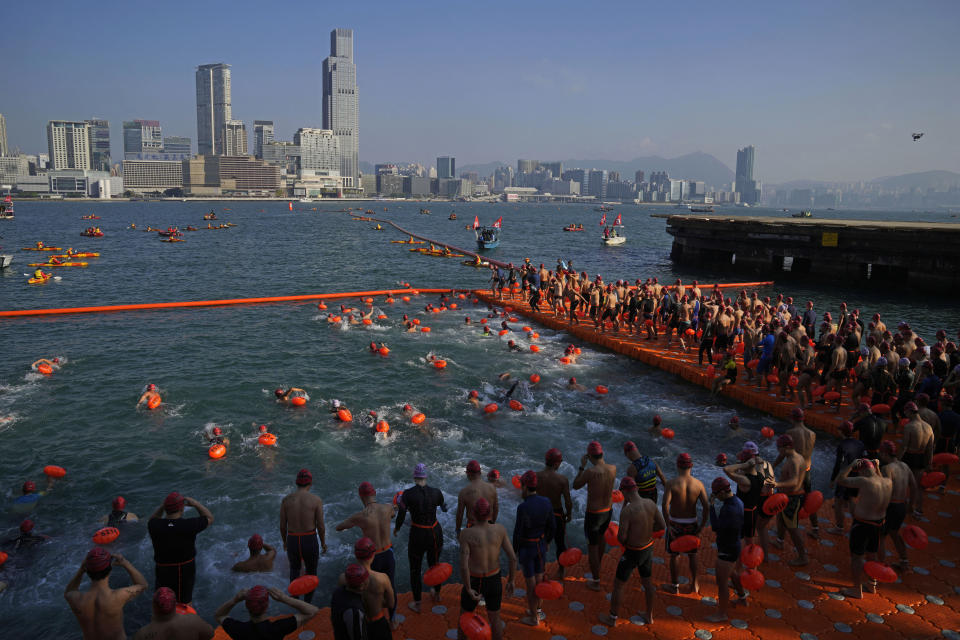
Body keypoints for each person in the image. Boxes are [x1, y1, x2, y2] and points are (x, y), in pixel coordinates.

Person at [597, 476, 665, 627]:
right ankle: (649, 616)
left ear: (625, 493)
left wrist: (628, 542)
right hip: (648, 548)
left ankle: (612, 618)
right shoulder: (651, 504)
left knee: (619, 585)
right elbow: (661, 525)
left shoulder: (628, 511)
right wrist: (645, 533)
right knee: (648, 583)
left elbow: (621, 537)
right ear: (637, 489)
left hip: (633, 552)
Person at [336, 482, 398, 625]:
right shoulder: (387, 508)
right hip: (388, 553)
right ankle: (393, 620)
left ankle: (372, 617)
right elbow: (394, 513)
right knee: (391, 586)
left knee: (370, 589)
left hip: (372, 557)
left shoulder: (360, 516)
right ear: (374, 493)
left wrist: (353, 522)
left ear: (361, 497)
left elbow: (339, 527)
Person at [457, 499, 517, 640]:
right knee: (495, 619)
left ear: (473, 514)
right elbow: (513, 558)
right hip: (494, 579)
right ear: (490, 514)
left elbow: (464, 566)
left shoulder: (466, 534)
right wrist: (511, 580)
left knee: (464, 617)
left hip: (475, 579)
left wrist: (468, 588)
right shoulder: (500, 529)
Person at [836, 458, 893, 598]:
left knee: (856, 557)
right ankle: (872, 585)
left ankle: (856, 589)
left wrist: (851, 464)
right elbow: (878, 477)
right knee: (871, 555)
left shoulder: (864, 481)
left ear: (861, 470)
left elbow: (840, 479)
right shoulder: (887, 482)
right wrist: (877, 467)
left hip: (862, 525)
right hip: (879, 524)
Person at [395, 463, 447, 612]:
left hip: (418, 533)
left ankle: (417, 603)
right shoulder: (437, 492)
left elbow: (401, 515)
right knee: (435, 564)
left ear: (414, 476)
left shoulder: (408, 494)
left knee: (415, 570)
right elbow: (444, 508)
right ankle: (437, 594)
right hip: (435, 532)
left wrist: (397, 528)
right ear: (426, 476)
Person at [63, 548, 147, 640]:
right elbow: (142, 584)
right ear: (110, 569)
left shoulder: (76, 599)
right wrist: (125, 563)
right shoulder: (118, 596)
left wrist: (81, 570)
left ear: (87, 570)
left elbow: (69, 591)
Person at [148, 492, 213, 605]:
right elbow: (209, 518)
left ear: (166, 508)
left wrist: (162, 506)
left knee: (162, 599)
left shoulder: (154, 525)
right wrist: (196, 504)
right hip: (184, 569)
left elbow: (153, 518)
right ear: (182, 509)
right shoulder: (189, 525)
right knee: (184, 603)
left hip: (162, 569)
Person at [661, 453, 708, 594]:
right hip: (691, 524)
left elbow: (664, 506)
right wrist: (701, 527)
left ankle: (674, 586)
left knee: (674, 555)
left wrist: (668, 526)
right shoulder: (698, 484)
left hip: (675, 524)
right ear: (691, 465)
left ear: (677, 465)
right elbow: (706, 507)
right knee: (692, 554)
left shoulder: (671, 483)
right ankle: (695, 584)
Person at [572, 441, 617, 591]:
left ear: (590, 456)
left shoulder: (590, 472)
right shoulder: (613, 469)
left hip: (594, 514)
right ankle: (598, 563)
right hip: (608, 511)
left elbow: (576, 485)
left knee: (592, 546)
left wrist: (582, 466)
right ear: (602, 454)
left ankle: (596, 581)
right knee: (602, 536)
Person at [513, 470, 555, 626]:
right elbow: (553, 526)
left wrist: (515, 551)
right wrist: (548, 541)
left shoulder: (523, 507)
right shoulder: (546, 502)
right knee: (540, 580)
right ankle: (537, 611)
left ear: (524, 486)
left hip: (527, 548)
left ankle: (533, 619)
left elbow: (518, 533)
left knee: (531, 584)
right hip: (540, 545)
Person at [280, 469, 327, 603]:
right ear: (310, 483)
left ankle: (296, 603)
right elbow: (321, 526)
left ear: (296, 483)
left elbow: (283, 526)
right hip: (309, 539)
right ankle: (307, 604)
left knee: (294, 570)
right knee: (311, 574)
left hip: (293, 539)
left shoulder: (286, 500)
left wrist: (285, 542)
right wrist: (323, 543)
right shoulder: (316, 500)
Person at [706, 477, 746, 622]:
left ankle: (722, 613)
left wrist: (711, 506)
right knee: (733, 573)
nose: (716, 497)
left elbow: (716, 527)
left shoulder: (729, 509)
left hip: (727, 550)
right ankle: (742, 597)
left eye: (716, 495)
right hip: (735, 545)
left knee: (722, 583)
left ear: (722, 492)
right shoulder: (738, 501)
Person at [215, 585, 319, 639]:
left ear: (247, 606)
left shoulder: (239, 629)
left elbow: (219, 615)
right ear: (267, 607)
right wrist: (284, 598)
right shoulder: (277, 628)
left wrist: (235, 599)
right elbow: (312, 611)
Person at [339, 538, 395, 639]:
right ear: (373, 555)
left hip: (356, 624)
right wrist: (376, 600)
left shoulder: (343, 578)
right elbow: (391, 604)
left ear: (356, 555)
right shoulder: (382, 578)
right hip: (377, 623)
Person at [771, 435, 809, 566]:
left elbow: (793, 482)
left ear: (787, 447)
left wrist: (776, 484)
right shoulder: (792, 455)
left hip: (793, 497)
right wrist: (772, 465)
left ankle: (803, 556)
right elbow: (781, 456)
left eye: (779, 448)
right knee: (780, 518)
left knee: (793, 527)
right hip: (786, 496)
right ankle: (779, 541)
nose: (778, 450)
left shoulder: (794, 461)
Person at [537, 448, 573, 579]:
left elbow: (527, 496)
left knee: (540, 543)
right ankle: (561, 570)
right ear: (557, 463)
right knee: (560, 543)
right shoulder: (562, 479)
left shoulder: (536, 476)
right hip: (556, 514)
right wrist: (569, 514)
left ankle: (540, 571)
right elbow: (568, 501)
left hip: (541, 513)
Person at [827, 422, 866, 535]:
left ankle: (839, 528)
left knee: (838, 502)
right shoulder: (860, 443)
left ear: (842, 431)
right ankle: (856, 525)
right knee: (851, 500)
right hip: (856, 475)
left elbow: (838, 465)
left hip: (845, 477)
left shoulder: (842, 445)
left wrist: (833, 480)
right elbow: (863, 460)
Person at [132, 586, 214, 640]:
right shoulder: (193, 621)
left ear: (154, 606)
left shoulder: (141, 635)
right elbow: (210, 634)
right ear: (175, 604)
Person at [899, 402, 935, 516]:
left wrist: (897, 460)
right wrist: (929, 463)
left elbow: (904, 446)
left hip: (909, 456)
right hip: (921, 458)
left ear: (909, 412)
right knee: (917, 486)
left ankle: (900, 506)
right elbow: (930, 448)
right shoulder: (928, 427)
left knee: (903, 483)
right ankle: (914, 508)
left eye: (906, 413)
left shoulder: (909, 426)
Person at [455, 460, 499, 535]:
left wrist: (458, 530)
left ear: (468, 474)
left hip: (472, 528)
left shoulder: (464, 492)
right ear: (480, 472)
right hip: (488, 526)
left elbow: (460, 514)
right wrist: (492, 523)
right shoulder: (492, 488)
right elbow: (496, 509)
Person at [331, 564, 370, 640]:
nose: (369, 580)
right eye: (367, 579)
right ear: (362, 586)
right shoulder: (354, 611)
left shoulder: (338, 592)